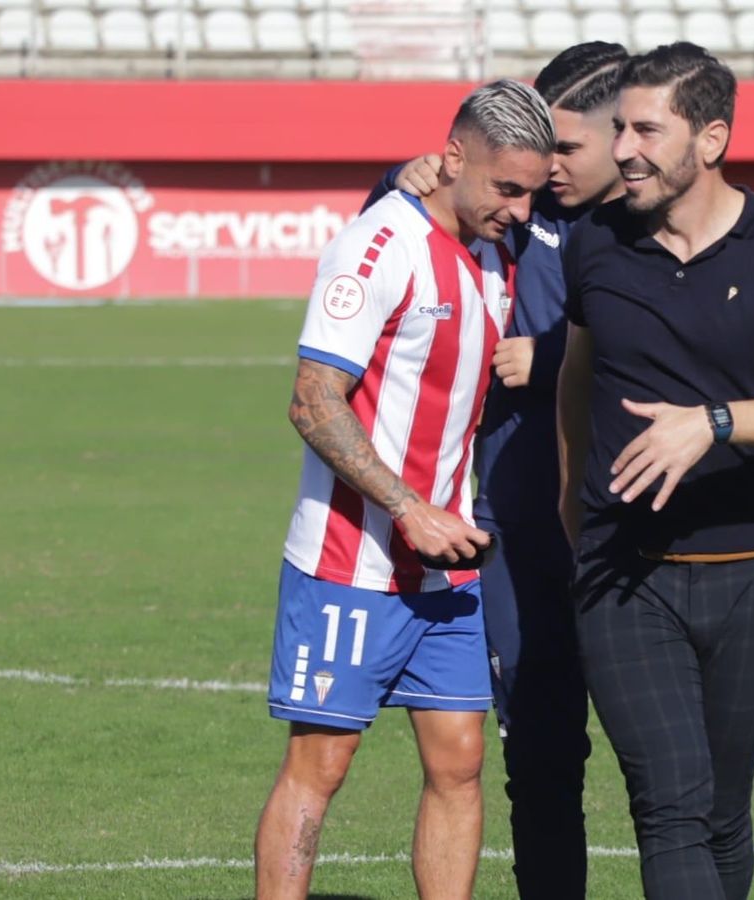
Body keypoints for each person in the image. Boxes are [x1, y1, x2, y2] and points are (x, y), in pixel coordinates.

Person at [556, 43, 754, 900]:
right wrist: (577, 532)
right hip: (622, 581)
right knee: (671, 809)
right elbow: (573, 396)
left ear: (711, 139)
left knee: (723, 815)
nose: (623, 150)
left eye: (647, 129)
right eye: (618, 130)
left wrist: (712, 424)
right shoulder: (593, 246)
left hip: (752, 574)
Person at [254, 80, 555, 900]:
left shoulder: (501, 250)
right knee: (322, 765)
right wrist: (405, 507)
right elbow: (312, 399)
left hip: (447, 564)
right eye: (506, 188)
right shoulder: (379, 244)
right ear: (453, 158)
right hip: (351, 560)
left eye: (530, 191)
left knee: (460, 763)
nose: (521, 210)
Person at [363, 41, 631, 899]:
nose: (545, 173)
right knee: (541, 751)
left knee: (667, 766)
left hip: (625, 525)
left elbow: (669, 353)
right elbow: (405, 222)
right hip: (514, 523)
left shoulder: (638, 228)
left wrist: (549, 356)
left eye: (565, 148)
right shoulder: (520, 210)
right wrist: (399, 179)